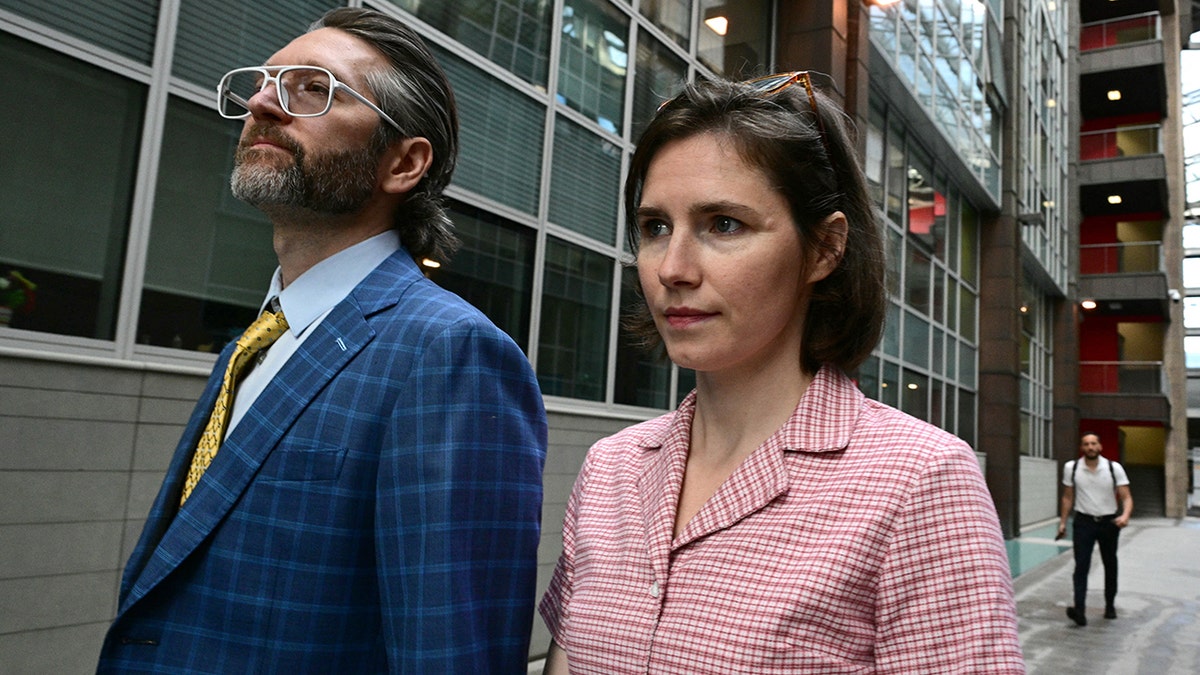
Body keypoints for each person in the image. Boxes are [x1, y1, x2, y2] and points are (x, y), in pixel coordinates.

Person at [97, 8, 547, 673]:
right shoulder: (253, 342)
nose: (261, 104)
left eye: (312, 88)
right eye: (264, 83)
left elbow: (450, 652)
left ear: (403, 163)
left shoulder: (449, 354)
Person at [538, 73, 1025, 673]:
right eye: (655, 227)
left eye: (724, 224)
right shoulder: (611, 468)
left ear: (824, 249)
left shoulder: (918, 483)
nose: (673, 267)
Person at [1057, 432, 1133, 626]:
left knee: (1110, 564)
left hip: (1109, 522)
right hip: (1083, 522)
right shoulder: (1072, 468)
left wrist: (1124, 516)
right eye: (1086, 444)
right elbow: (1067, 497)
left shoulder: (1113, 468)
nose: (1090, 447)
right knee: (1081, 566)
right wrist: (1063, 522)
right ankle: (1079, 611)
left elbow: (1126, 497)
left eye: (1093, 444)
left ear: (1100, 446)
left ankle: (1110, 605)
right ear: (1082, 448)